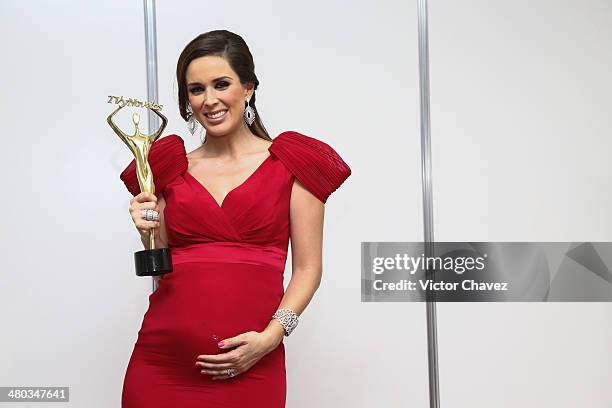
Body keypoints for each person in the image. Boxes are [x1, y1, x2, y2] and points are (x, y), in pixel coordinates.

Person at [119, 30, 351, 407]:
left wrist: (273, 337)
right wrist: (146, 225)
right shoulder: (167, 165)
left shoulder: (293, 162)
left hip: (252, 364)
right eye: (196, 89)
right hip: (161, 365)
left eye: (221, 84)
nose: (209, 100)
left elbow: (308, 269)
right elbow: (160, 270)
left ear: (248, 87)